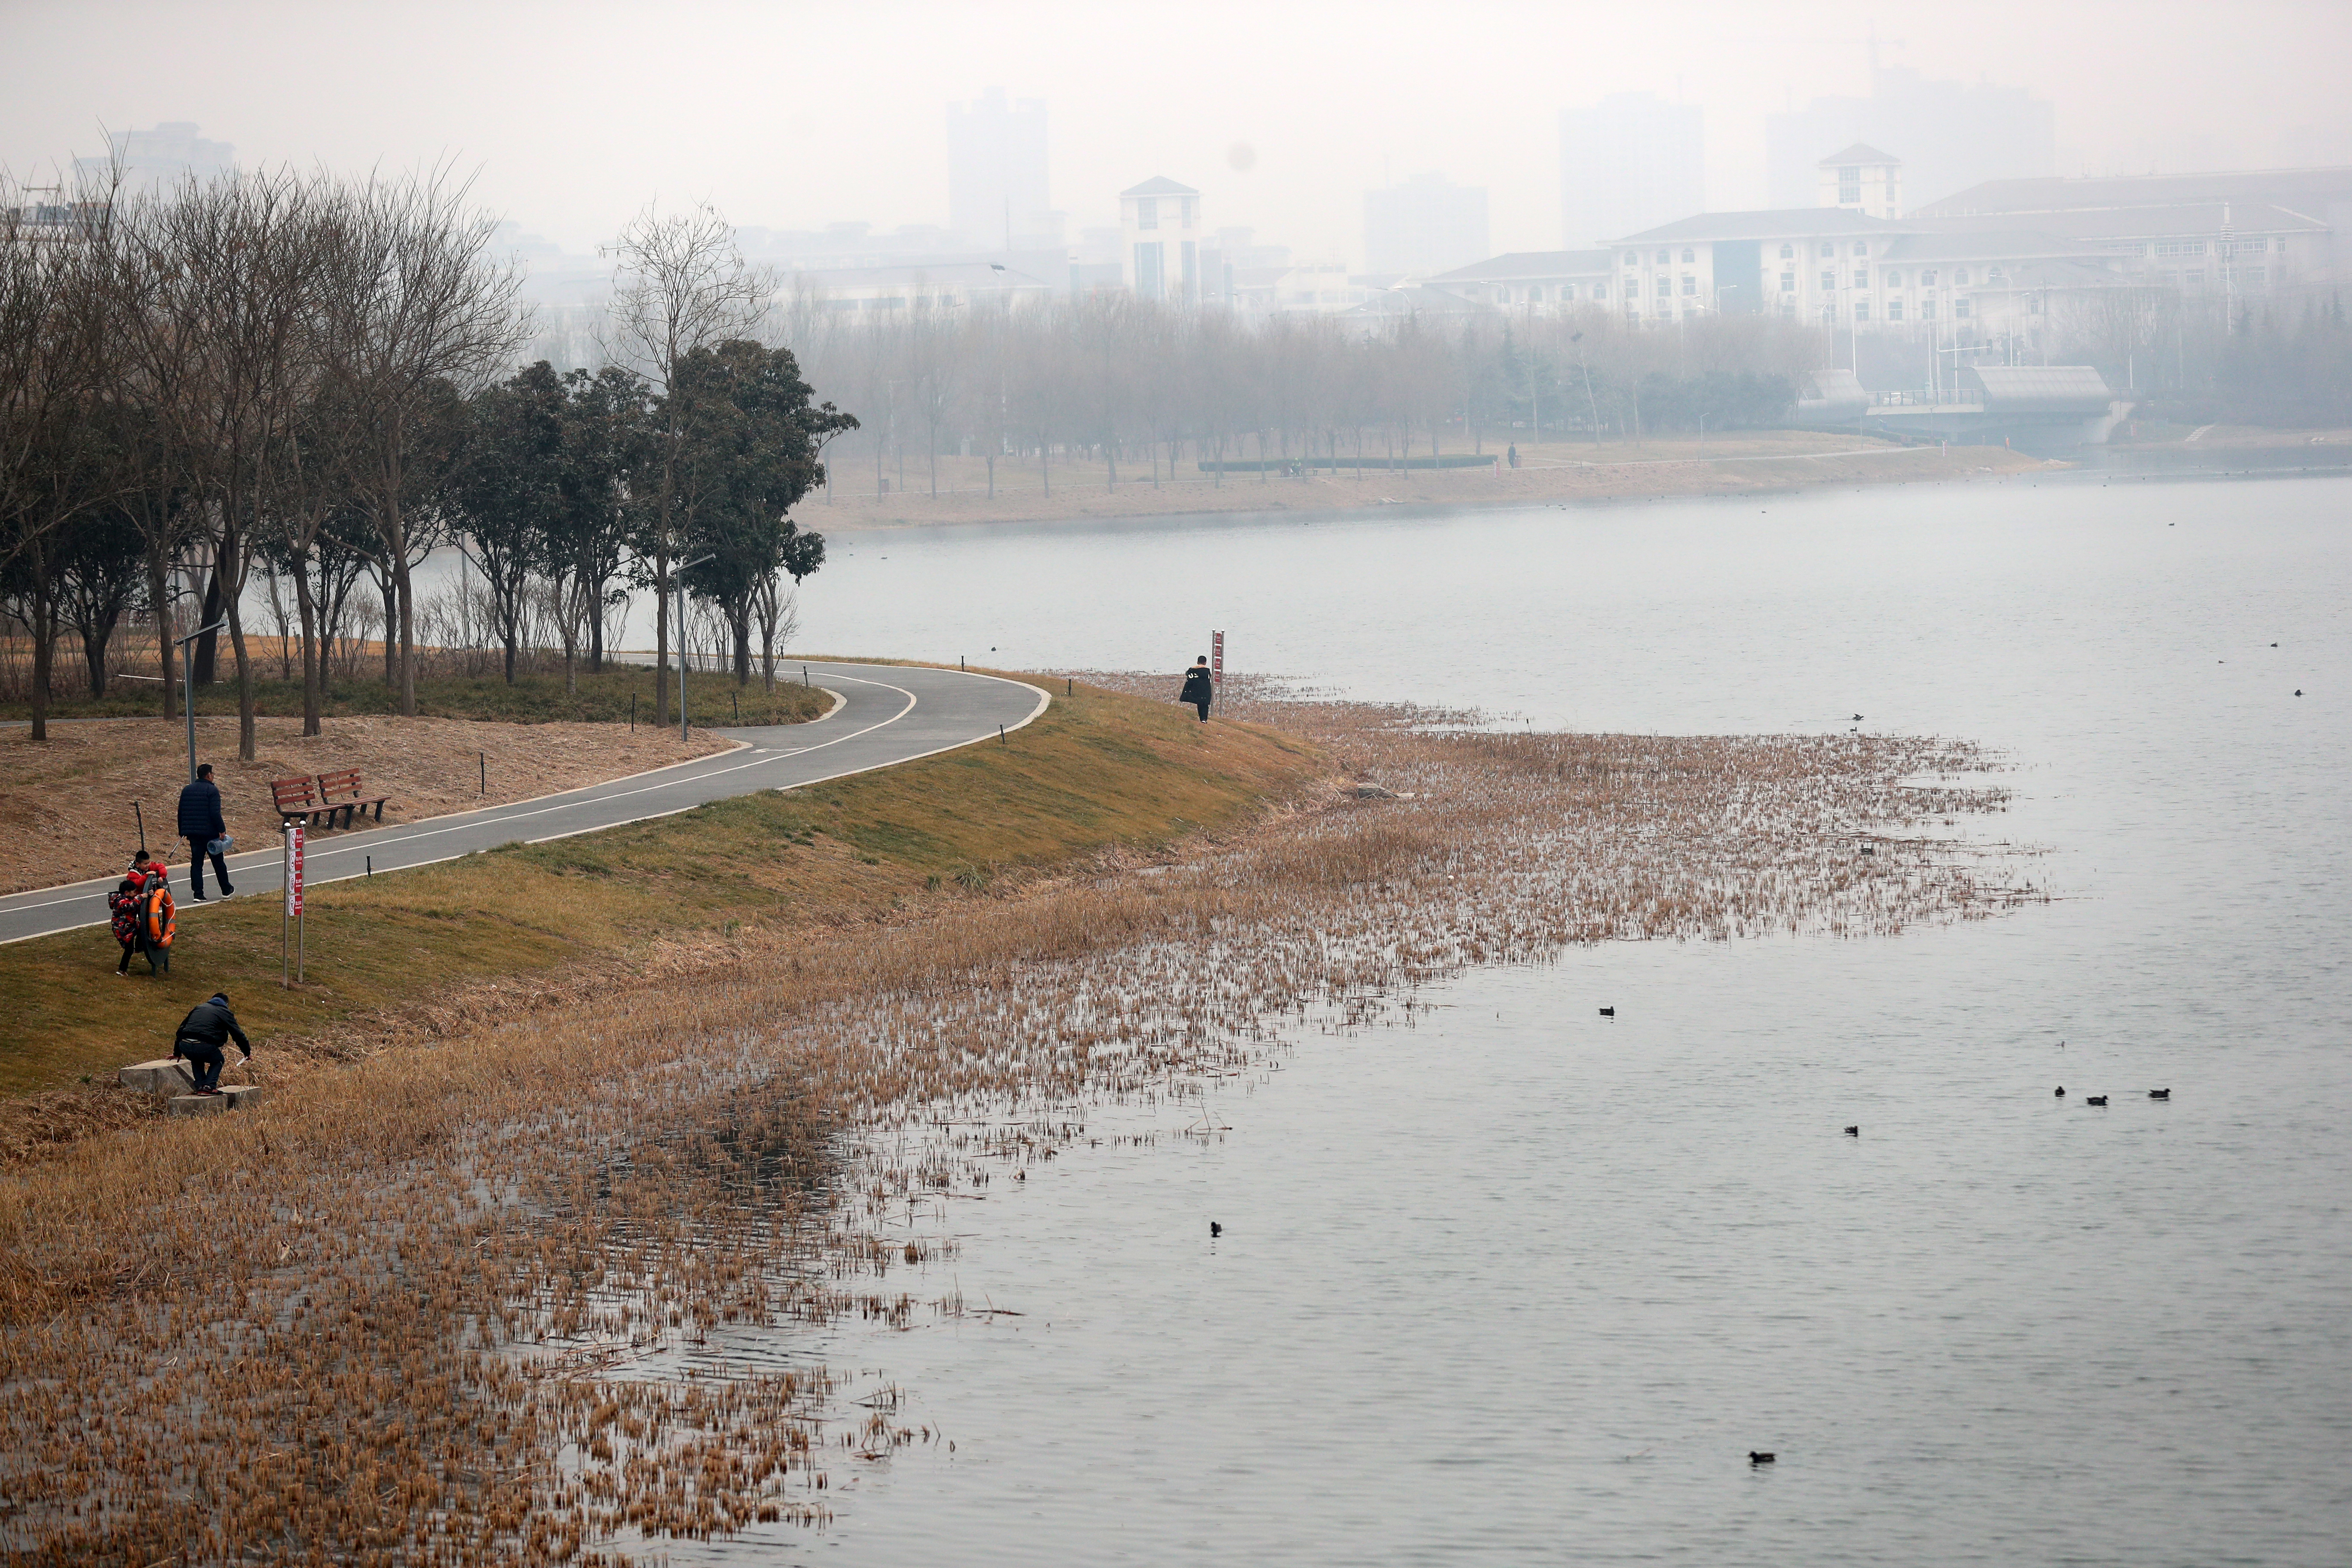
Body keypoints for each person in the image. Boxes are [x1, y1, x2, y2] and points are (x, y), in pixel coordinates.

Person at [172, 992, 251, 1096]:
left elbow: (181, 1030)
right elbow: (238, 1034)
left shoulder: (199, 1008)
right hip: (204, 1044)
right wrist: (247, 1052)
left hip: (185, 1044)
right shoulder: (224, 1011)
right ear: (226, 1003)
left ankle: (200, 1087)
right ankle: (209, 1086)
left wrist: (177, 1052)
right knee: (218, 1060)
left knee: (196, 1059)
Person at [177, 763, 234, 901]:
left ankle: (198, 893)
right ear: (208, 775)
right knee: (218, 863)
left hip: (193, 833)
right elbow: (215, 813)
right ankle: (226, 890)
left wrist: (182, 830)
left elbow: (181, 812)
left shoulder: (187, 790)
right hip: (210, 834)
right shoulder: (212, 790)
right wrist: (222, 830)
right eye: (212, 774)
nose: (213, 776)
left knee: (196, 864)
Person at [109, 875, 160, 975]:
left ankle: (138, 947)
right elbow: (131, 906)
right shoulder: (120, 901)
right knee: (129, 950)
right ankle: (122, 970)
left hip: (130, 926)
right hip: (122, 930)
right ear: (127, 893)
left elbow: (136, 903)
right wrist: (141, 897)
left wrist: (149, 894)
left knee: (143, 927)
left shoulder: (129, 898)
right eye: (134, 892)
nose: (136, 894)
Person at [1179, 655, 1214, 723]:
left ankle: (1202, 718)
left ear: (1198, 662)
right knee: (1205, 704)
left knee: (1199, 703)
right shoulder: (1208, 671)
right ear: (1205, 663)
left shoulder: (1192, 670)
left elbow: (1188, 675)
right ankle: (1204, 719)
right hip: (1206, 690)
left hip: (1197, 690)